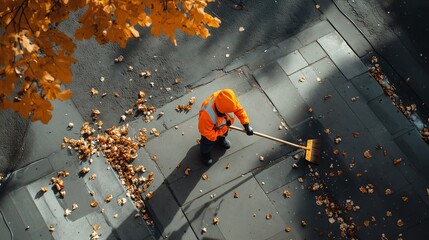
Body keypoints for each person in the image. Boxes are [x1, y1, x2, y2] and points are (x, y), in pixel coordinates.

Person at [198, 89, 253, 165]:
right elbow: (205, 132)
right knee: (207, 143)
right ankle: (205, 153)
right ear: (221, 111)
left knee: (224, 134)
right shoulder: (207, 115)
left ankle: (221, 139)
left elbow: (239, 110)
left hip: (223, 126)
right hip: (210, 133)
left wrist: (246, 124)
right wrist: (219, 132)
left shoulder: (229, 99)